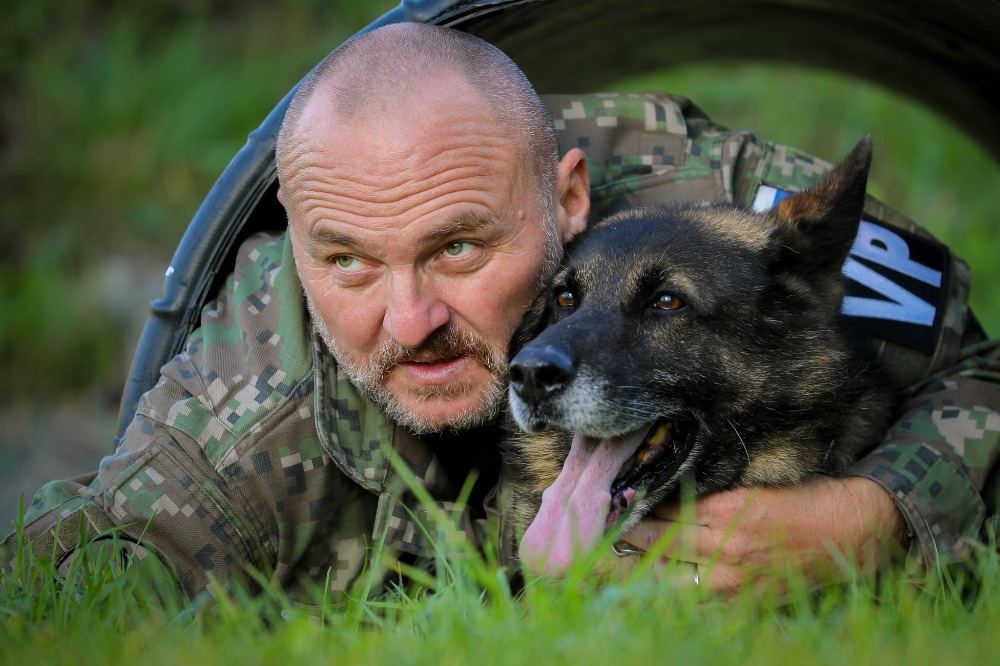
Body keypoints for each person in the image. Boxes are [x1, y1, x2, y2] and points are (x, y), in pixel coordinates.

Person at [2, 23, 997, 604]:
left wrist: (872, 518)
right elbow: (57, 594)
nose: (408, 322)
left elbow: (979, 367)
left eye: (457, 249)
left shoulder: (719, 212)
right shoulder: (243, 414)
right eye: (348, 262)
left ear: (568, 201)